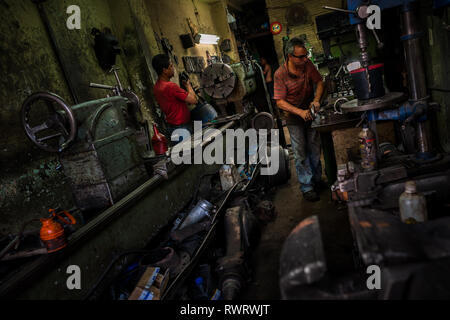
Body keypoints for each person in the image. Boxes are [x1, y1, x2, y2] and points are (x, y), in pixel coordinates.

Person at [273, 38, 325, 202]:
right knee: (300, 152)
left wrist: (316, 100)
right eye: (301, 57)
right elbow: (280, 102)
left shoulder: (307, 65)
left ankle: (317, 180)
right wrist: (300, 113)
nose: (305, 59)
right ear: (290, 56)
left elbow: (319, 81)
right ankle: (307, 187)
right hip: (294, 116)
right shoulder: (280, 74)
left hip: (310, 111)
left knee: (315, 148)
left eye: (306, 55)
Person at [151, 54, 198, 143]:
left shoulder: (157, 87)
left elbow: (171, 101)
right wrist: (188, 85)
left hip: (172, 127)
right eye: (171, 66)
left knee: (182, 155)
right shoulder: (171, 86)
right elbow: (194, 100)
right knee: (191, 154)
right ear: (164, 70)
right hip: (182, 128)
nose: (173, 69)